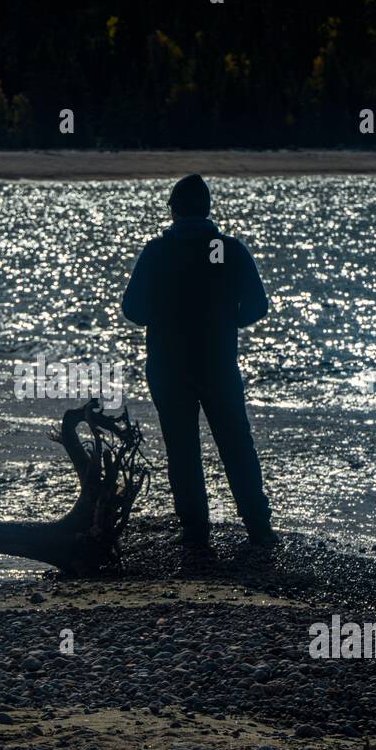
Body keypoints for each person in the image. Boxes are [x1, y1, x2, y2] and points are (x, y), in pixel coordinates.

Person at [122, 173, 276, 548]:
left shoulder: (158, 251)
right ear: (207, 210)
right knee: (236, 444)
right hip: (218, 363)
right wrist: (224, 322)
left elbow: (133, 310)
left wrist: (166, 318)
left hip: (168, 366)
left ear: (173, 211)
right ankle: (258, 526)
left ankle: (195, 530)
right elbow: (257, 306)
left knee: (182, 449)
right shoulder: (226, 249)